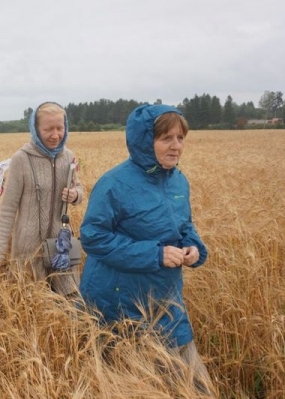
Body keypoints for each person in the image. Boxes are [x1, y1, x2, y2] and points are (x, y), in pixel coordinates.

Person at [79, 104, 213, 391]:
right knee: (130, 384)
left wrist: (194, 248)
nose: (176, 146)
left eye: (180, 138)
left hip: (166, 296)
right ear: (144, 141)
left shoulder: (178, 180)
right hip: (118, 301)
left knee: (198, 385)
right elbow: (92, 237)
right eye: (167, 138)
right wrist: (155, 254)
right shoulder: (113, 184)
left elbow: (184, 226)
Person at [0, 102, 83, 296]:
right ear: (35, 129)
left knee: (72, 300)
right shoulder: (21, 159)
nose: (55, 135)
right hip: (28, 249)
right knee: (32, 307)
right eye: (48, 129)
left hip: (61, 245)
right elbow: (7, 210)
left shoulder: (69, 157)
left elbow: (79, 189)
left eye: (60, 128)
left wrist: (75, 195)